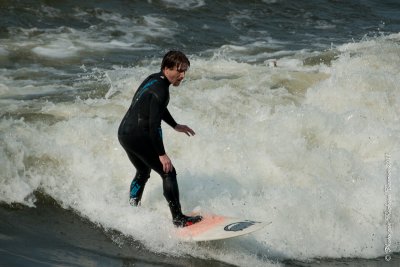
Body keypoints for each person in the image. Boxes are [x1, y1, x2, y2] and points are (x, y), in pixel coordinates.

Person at [118, 51, 202, 228]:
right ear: (166, 68)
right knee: (168, 172)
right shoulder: (161, 90)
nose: (183, 76)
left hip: (124, 133)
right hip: (139, 135)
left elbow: (156, 108)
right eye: (179, 71)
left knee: (143, 171)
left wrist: (175, 125)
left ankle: (132, 210)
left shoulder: (153, 79)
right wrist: (162, 154)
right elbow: (154, 126)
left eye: (185, 71)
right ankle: (179, 219)